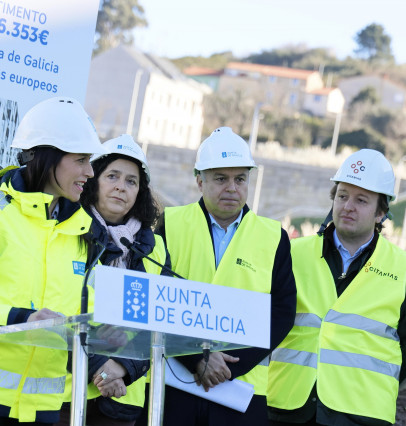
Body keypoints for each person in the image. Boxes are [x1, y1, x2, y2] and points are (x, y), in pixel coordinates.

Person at [0, 97, 106, 425]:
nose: (90, 171)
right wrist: (22, 319)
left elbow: (91, 319)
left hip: (43, 411)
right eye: (82, 159)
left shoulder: (84, 232)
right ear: (47, 156)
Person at [156, 127, 296, 425]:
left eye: (240, 179)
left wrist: (231, 366)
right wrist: (197, 358)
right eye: (221, 178)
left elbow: (282, 312)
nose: (232, 188)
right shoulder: (170, 224)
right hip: (174, 383)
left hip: (243, 389)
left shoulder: (274, 237)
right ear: (199, 180)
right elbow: (156, 300)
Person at [267, 149, 406, 426]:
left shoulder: (402, 268)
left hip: (363, 414)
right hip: (287, 407)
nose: (347, 206)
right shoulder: (291, 253)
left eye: (361, 200)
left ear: (381, 212)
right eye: (342, 196)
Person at [54, 135, 171, 426]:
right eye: (113, 176)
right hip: (63, 394)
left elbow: (162, 320)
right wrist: (100, 366)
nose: (121, 186)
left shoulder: (154, 248)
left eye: (132, 181)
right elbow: (54, 306)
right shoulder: (63, 231)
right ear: (93, 180)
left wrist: (123, 368)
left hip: (121, 398)